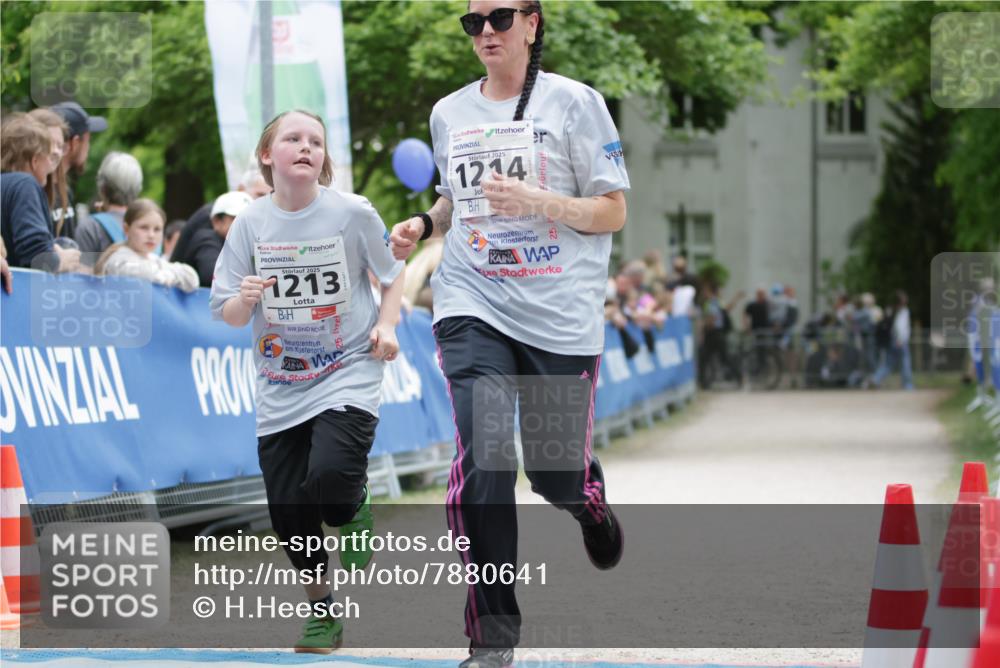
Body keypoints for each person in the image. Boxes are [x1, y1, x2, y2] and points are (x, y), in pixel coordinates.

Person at [390, 3, 627, 665]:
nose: (485, 31)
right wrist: (426, 226)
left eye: (498, 17)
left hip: (558, 313)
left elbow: (612, 210)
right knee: (486, 456)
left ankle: (586, 501)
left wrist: (541, 203)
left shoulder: (576, 105)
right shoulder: (450, 113)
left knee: (553, 476)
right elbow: (455, 197)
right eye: (472, 23)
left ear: (532, 22)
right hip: (473, 300)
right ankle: (492, 636)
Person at [210, 109, 405, 654]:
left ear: (323, 159)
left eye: (315, 141)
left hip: (347, 366)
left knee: (332, 483)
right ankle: (323, 615)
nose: (305, 147)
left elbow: (392, 276)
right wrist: (243, 299)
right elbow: (223, 309)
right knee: (289, 513)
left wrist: (387, 326)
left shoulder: (351, 212)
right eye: (292, 139)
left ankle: (353, 502)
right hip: (279, 382)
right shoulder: (250, 222)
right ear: (267, 156)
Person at [0, 113, 80, 272]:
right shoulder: (25, 185)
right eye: (48, 155)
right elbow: (36, 256)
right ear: (35, 160)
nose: (52, 163)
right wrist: (62, 260)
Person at [171, 167, 273, 269]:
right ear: (216, 221)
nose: (263, 202)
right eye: (260, 195)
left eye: (269, 197)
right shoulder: (208, 226)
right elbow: (212, 272)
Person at [95, 199, 199, 291]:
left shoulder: (154, 259)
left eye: (157, 229)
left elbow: (192, 278)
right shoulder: (118, 260)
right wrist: (173, 276)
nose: (151, 235)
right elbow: (149, 276)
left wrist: (168, 275)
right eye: (144, 227)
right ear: (126, 229)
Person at [50, 101, 108, 238]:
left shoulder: (65, 191)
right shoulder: (37, 192)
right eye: (88, 140)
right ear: (74, 143)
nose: (88, 147)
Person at [175, 191, 252, 287]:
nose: (244, 224)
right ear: (216, 221)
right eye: (236, 218)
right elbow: (213, 276)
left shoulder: (240, 245)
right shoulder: (206, 239)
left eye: (249, 219)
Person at [74, 151, 143, 257]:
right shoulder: (151, 228)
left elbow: (82, 271)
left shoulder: (90, 228)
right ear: (138, 188)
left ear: (102, 188)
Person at [26, 109, 72, 239]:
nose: (57, 152)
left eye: (60, 146)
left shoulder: (60, 191)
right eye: (51, 143)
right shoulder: (19, 192)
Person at [871, 290, 914, 390]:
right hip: (900, 341)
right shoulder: (902, 311)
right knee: (905, 363)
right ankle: (907, 385)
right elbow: (900, 327)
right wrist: (900, 339)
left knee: (888, 364)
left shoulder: (891, 310)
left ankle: (876, 378)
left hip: (893, 340)